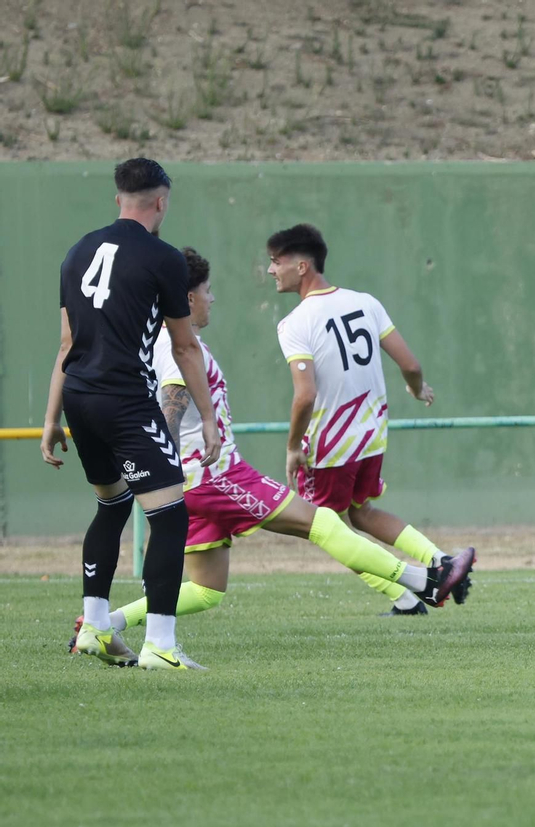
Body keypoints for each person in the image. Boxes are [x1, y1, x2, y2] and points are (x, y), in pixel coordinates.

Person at [72, 248, 473, 659]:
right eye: (208, 290)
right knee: (324, 523)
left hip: (192, 483)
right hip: (215, 476)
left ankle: (104, 624)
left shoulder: (152, 343)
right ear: (188, 297)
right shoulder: (180, 347)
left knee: (207, 589)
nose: (212, 298)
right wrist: (165, 469)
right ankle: (426, 581)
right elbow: (170, 402)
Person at [41, 158, 221, 670]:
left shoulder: (77, 252)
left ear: (118, 198)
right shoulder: (163, 258)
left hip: (79, 397)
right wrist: (208, 418)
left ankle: (95, 627)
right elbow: (184, 347)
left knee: (113, 504)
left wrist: (51, 418)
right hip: (125, 401)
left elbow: (66, 344)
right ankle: (160, 645)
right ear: (161, 201)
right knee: (170, 516)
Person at [267, 223, 473, 608]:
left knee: (330, 531)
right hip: (372, 434)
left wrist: (293, 447)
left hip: (330, 444)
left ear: (301, 266)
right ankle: (440, 562)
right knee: (361, 513)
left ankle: (420, 587)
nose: (270, 270)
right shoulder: (365, 302)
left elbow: (305, 395)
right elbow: (411, 365)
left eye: (276, 261)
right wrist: (417, 389)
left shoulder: (295, 323)